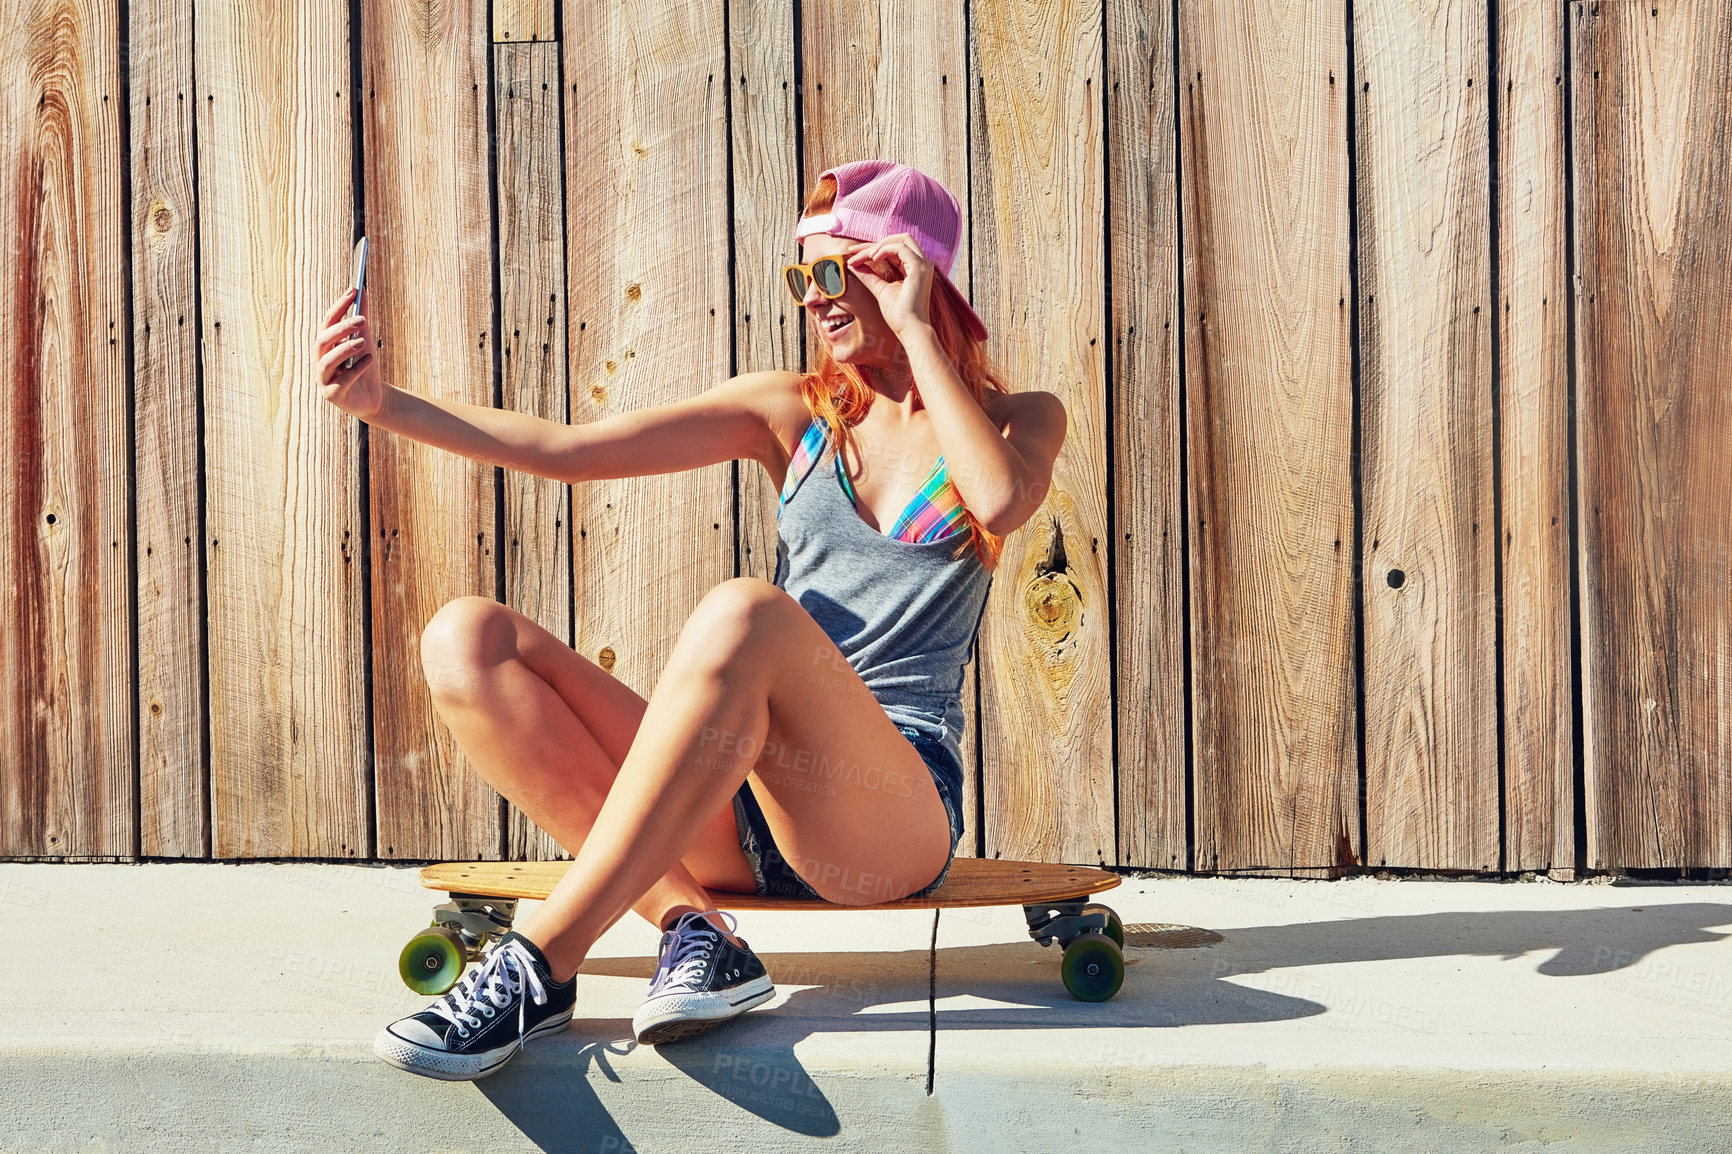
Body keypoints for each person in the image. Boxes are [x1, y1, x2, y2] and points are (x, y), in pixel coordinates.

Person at [315, 159, 1066, 1081]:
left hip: (887, 818)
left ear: (909, 271)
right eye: (804, 279)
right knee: (466, 640)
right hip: (745, 806)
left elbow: (995, 502)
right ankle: (697, 932)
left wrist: (916, 333)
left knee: (748, 609)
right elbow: (570, 454)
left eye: (837, 273)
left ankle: (540, 964)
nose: (814, 300)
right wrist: (383, 405)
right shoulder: (790, 413)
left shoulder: (1019, 420)